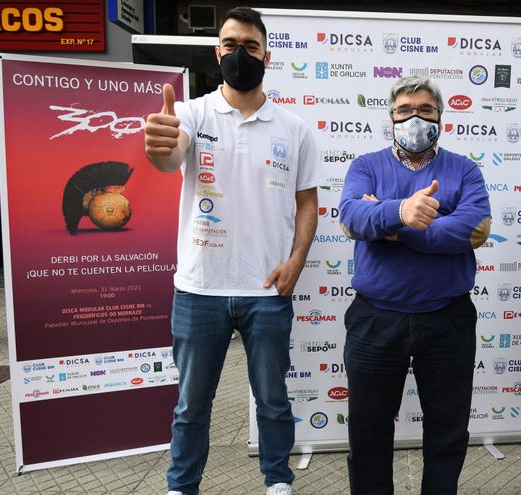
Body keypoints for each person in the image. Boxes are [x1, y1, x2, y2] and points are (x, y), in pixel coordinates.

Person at [144, 7, 321, 495]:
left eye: (250, 46)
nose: (239, 54)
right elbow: (168, 155)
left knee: (273, 400)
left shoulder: (295, 128)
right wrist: (158, 148)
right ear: (216, 51)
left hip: (267, 290)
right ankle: (182, 486)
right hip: (199, 288)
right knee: (191, 406)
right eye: (229, 45)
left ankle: (278, 482)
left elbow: (308, 201)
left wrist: (297, 262)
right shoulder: (190, 113)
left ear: (267, 54)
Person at [338, 75, 491, 495]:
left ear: (441, 117)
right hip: (375, 320)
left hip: (448, 322)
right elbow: (351, 217)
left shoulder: (464, 169)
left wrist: (393, 225)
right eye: (404, 110)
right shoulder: (366, 166)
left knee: (447, 433)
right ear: (390, 119)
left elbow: (473, 230)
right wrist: (404, 210)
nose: (415, 118)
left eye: (425, 109)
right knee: (368, 437)